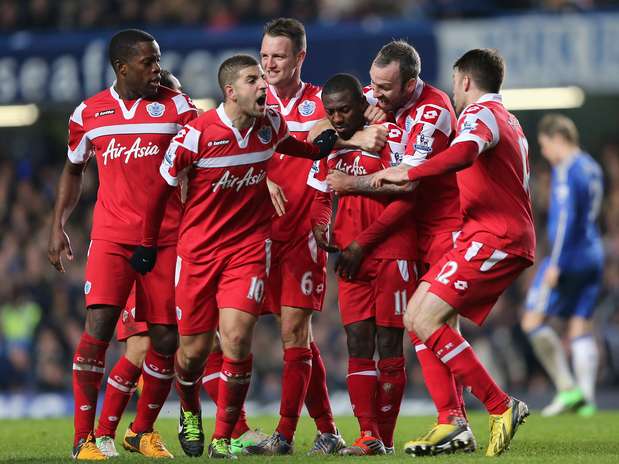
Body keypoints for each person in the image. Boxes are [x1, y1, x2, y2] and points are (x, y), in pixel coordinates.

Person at [131, 54, 338, 458]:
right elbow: (159, 193)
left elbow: (291, 145)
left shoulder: (269, 125)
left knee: (238, 339)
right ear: (231, 92)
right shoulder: (196, 136)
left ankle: (224, 438)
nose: (263, 86)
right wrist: (147, 243)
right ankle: (189, 410)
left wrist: (317, 151)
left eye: (262, 79)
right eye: (252, 79)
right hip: (198, 254)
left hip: (246, 251)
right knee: (192, 355)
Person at [372, 48, 535, 456]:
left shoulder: (480, 116)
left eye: (455, 83)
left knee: (423, 318)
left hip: (494, 238)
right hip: (486, 236)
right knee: (419, 317)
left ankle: (499, 405)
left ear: (464, 80)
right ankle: (453, 424)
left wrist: (408, 169)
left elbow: (464, 153)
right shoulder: (509, 120)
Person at [48, 30, 197, 460]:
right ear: (122, 67)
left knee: (166, 339)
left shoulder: (176, 106)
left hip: (167, 239)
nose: (157, 69)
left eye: (158, 60)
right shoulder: (89, 112)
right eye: (149, 62)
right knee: (96, 331)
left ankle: (142, 431)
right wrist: (58, 224)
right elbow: (73, 169)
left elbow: (208, 142)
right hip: (112, 238)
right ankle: (84, 441)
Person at [326, 40, 474, 455]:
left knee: (431, 327)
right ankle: (381, 432)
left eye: (385, 88)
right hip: (399, 234)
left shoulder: (432, 111)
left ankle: (459, 417)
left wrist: (352, 185)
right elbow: (318, 131)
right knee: (398, 333)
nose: (376, 94)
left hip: (434, 230)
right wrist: (353, 137)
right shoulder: (372, 106)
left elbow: (407, 183)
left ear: (411, 83)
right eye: (372, 85)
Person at [246, 18, 385, 456]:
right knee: (247, 335)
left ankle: (284, 435)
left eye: (279, 56)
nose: (269, 64)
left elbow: (372, 116)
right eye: (265, 55)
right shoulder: (252, 101)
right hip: (255, 232)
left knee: (294, 331)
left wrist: (370, 122)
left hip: (304, 228)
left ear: (300, 58)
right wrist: (258, 177)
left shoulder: (323, 102)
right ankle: (325, 429)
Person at [307, 73, 417, 456]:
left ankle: (384, 437)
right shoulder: (331, 146)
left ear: (361, 102)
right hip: (351, 259)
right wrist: (321, 225)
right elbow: (320, 192)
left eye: (345, 109)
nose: (337, 118)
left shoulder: (389, 136)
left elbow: (406, 196)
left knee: (388, 343)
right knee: (357, 342)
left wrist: (361, 243)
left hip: (390, 252)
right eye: (331, 111)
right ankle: (368, 434)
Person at [92, 69, 187, 458]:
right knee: (140, 346)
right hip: (138, 248)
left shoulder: (184, 141)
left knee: (168, 343)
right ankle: (104, 433)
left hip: (172, 247)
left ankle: (140, 431)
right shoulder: (145, 135)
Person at [522, 114, 604, 417]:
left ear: (557, 138)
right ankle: (588, 401)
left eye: (543, 145)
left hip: (568, 257)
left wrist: (555, 262)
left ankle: (567, 389)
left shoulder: (567, 170)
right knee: (581, 324)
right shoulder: (592, 166)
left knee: (531, 321)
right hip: (593, 254)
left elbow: (567, 218)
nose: (544, 152)